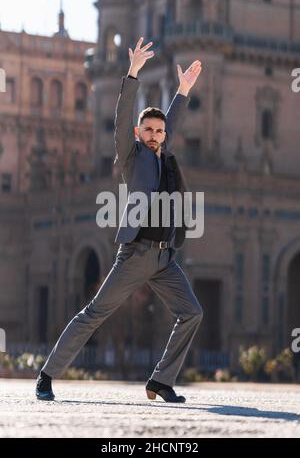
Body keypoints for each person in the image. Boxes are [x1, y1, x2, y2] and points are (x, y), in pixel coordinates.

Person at [36, 37, 203, 403]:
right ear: (137, 135)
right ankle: (47, 375)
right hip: (136, 255)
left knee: (191, 312)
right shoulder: (132, 156)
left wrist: (183, 90)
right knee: (94, 313)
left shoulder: (163, 153)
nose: (157, 136)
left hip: (164, 259)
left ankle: (160, 381)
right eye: (150, 131)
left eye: (160, 131)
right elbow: (122, 115)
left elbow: (172, 121)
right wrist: (131, 73)